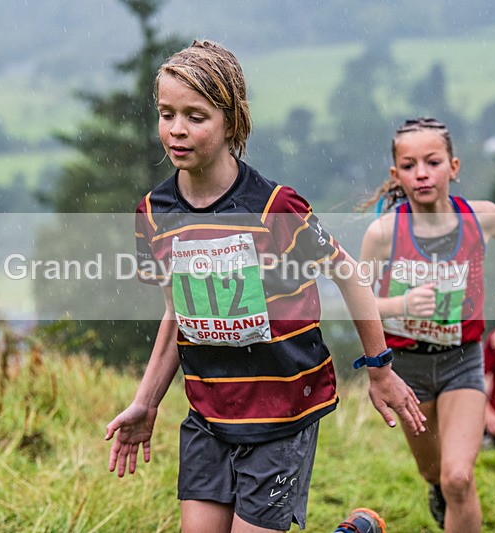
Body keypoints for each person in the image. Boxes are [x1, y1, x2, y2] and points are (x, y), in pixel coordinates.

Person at [105, 40, 425, 533]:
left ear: (231, 121)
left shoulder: (275, 207)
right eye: (167, 114)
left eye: (196, 116)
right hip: (208, 415)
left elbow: (348, 274)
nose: (177, 129)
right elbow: (178, 315)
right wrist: (146, 402)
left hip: (282, 413)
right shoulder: (153, 214)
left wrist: (379, 367)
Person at [359, 117, 495, 533]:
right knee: (433, 472)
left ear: (453, 167)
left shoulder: (482, 217)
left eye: (433, 162)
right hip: (407, 369)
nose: (421, 173)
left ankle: (453, 495)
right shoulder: (383, 233)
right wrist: (401, 304)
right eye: (409, 165)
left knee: (458, 478)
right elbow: (359, 302)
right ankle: (439, 491)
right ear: (396, 175)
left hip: (462, 362)